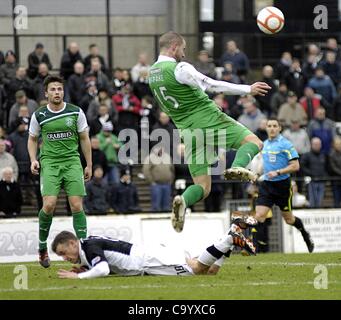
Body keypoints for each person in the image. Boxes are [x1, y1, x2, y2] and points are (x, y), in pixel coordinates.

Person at [148, 31, 271, 232]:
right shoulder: (179, 67)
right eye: (183, 49)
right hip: (208, 120)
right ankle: (238, 166)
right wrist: (247, 89)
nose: (184, 54)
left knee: (203, 188)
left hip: (187, 132)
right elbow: (210, 84)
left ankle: (184, 202)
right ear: (174, 47)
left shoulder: (152, 74)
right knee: (255, 142)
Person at [52, 216, 257, 279]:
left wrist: (78, 276)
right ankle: (231, 234)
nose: (65, 258)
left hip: (148, 260)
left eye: (63, 253)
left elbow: (104, 269)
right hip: (148, 254)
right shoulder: (88, 246)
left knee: (197, 270)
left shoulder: (88, 247)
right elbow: (106, 262)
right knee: (210, 271)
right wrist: (87, 268)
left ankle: (229, 239)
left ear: (72, 243)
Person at [27, 75, 92, 268]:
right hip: (50, 163)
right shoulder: (39, 115)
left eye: (60, 89)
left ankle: (84, 252)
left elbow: (84, 138)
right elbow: (32, 139)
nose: (57, 92)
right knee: (49, 205)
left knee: (76, 205)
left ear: (63, 91)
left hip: (72, 161)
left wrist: (88, 164)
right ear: (46, 93)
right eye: (53, 89)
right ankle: (41, 248)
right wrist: (33, 160)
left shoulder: (76, 112)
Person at [254, 118, 314, 253]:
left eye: (275, 126)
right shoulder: (264, 145)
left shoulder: (286, 145)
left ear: (280, 128)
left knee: (289, 219)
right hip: (267, 186)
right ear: (266, 128)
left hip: (282, 186)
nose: (272, 128)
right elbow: (262, 165)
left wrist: (278, 172)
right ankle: (254, 246)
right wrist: (256, 175)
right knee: (259, 216)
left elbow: (295, 166)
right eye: (269, 126)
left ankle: (305, 233)